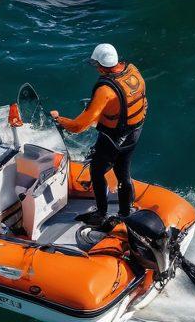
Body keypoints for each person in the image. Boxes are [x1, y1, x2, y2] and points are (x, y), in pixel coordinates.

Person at [50, 44, 147, 225]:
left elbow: (79, 126)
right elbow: (129, 102)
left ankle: (101, 214)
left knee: (97, 171)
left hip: (113, 138)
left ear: (101, 66)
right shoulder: (132, 70)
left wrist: (59, 119)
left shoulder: (105, 90)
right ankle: (126, 212)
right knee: (123, 172)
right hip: (134, 133)